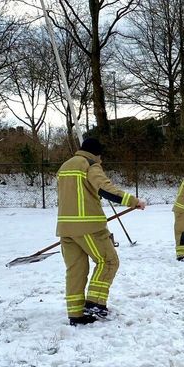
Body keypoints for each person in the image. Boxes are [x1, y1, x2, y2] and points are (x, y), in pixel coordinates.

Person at [56, 137, 145, 326]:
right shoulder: (90, 165)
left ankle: (76, 314)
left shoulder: (65, 166)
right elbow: (106, 189)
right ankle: (95, 303)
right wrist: (133, 201)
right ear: (97, 154)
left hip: (65, 227)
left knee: (76, 271)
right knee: (109, 261)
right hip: (89, 226)